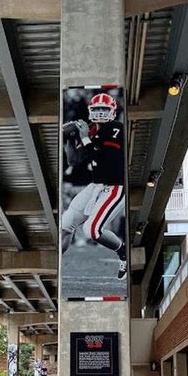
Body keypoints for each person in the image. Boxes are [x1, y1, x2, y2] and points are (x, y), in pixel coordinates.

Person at [62, 92, 127, 280]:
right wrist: (70, 139)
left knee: (91, 230)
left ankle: (123, 252)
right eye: (96, 109)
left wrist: (84, 138)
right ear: (90, 111)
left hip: (115, 187)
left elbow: (104, 159)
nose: (99, 113)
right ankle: (57, 267)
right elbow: (74, 161)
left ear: (112, 112)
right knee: (66, 223)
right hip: (95, 185)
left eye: (104, 109)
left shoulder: (116, 129)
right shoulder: (90, 130)